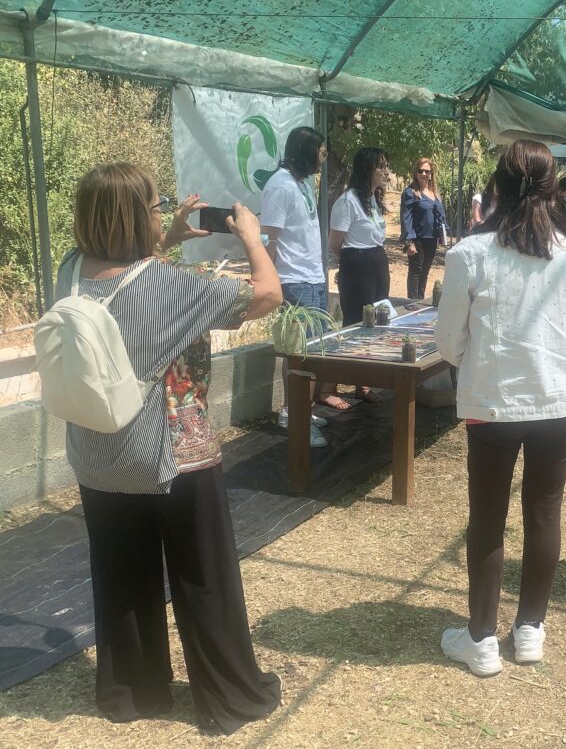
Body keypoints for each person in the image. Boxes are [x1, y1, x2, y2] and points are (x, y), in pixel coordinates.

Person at [56, 163, 282, 733]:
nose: (163, 215)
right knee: (204, 578)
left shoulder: (69, 271)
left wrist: (166, 239)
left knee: (121, 577)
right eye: (157, 208)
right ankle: (230, 698)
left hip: (99, 455)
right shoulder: (174, 285)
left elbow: (124, 279)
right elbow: (266, 295)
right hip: (176, 455)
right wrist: (252, 238)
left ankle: (131, 692)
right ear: (139, 218)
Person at [435, 140, 566, 676]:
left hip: (494, 403)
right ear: (553, 187)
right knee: (544, 513)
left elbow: (448, 342)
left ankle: (481, 639)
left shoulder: (470, 253)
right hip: (563, 399)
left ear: (497, 186)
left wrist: (479, 362)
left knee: (487, 516)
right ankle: (530, 629)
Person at [262, 127, 345, 447]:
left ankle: (299, 410)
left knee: (313, 351)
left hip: (313, 278)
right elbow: (269, 239)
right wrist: (268, 281)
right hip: (294, 280)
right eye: (321, 152)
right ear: (306, 152)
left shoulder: (303, 183)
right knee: (302, 354)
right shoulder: (280, 186)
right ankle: (295, 416)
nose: (324, 158)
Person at [329, 147, 391, 403]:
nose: (386, 172)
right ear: (367, 170)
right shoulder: (348, 201)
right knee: (356, 322)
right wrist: (351, 265)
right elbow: (335, 243)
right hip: (357, 265)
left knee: (377, 320)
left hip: (377, 262)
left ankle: (365, 380)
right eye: (381, 167)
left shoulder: (373, 199)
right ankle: (342, 382)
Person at [401, 157, 448, 299]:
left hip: (432, 239)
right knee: (416, 271)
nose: (424, 174)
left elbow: (440, 215)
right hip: (417, 239)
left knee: (425, 272)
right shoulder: (410, 193)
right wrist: (409, 241)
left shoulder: (434, 193)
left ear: (431, 174)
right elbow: (406, 218)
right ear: (415, 173)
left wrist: (443, 234)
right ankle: (412, 303)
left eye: (427, 171)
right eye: (420, 171)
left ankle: (420, 300)